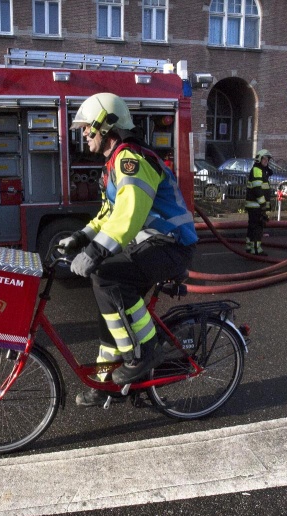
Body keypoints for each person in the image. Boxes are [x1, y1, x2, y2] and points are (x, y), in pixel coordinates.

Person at [60, 93, 198, 407]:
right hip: (155, 245)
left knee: (107, 277)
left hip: (170, 246)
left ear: (105, 125)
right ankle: (106, 382)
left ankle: (143, 352)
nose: (83, 134)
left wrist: (95, 253)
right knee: (110, 312)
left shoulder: (130, 159)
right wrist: (82, 237)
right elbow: (110, 212)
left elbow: (130, 212)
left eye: (87, 128)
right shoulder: (117, 162)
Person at [244, 149, 273, 256]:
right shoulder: (257, 170)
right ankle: (256, 249)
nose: (266, 161)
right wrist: (263, 205)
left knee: (252, 226)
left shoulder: (260, 170)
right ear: (259, 159)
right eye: (264, 158)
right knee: (257, 227)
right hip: (256, 206)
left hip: (254, 205)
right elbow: (257, 189)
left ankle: (249, 246)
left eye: (267, 159)